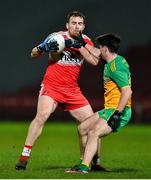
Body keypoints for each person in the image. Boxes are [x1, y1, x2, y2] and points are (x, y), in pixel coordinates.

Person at [15, 11, 108, 171]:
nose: (77, 26)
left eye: (80, 23)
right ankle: (23, 158)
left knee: (92, 124)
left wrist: (82, 45)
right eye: (73, 23)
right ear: (67, 25)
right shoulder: (57, 37)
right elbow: (33, 53)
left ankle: (94, 163)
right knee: (42, 115)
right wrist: (41, 47)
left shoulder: (85, 40)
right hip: (52, 86)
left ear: (83, 26)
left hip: (72, 90)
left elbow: (95, 60)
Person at [66, 33, 132, 173]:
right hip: (110, 108)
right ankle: (90, 163)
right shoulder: (114, 60)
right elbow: (96, 52)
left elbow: (127, 92)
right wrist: (83, 43)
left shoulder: (115, 68)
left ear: (106, 49)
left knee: (94, 133)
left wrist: (117, 114)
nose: (98, 49)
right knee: (82, 128)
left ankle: (84, 167)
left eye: (101, 46)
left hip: (118, 110)